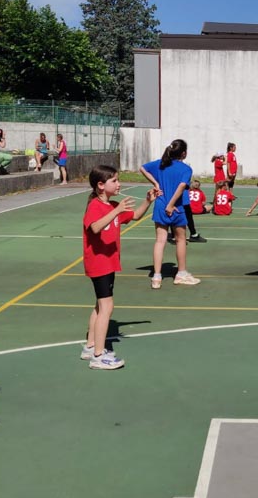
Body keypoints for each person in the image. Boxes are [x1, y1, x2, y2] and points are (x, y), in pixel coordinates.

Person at [81, 166, 155, 369]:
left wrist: (148, 201)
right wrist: (116, 210)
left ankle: (90, 346)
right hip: (99, 262)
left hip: (109, 262)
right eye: (114, 181)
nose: (119, 184)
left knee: (100, 305)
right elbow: (95, 227)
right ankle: (99, 356)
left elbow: (136, 215)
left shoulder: (112, 205)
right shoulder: (96, 206)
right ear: (101, 185)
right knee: (107, 306)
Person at [141, 139, 201, 288]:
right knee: (181, 240)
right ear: (184, 153)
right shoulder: (186, 169)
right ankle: (181, 273)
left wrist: (156, 183)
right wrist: (171, 204)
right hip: (176, 207)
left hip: (160, 205)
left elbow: (142, 168)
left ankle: (156, 277)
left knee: (160, 241)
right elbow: (181, 187)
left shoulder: (160, 164)